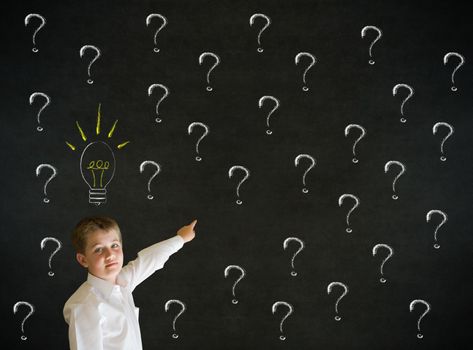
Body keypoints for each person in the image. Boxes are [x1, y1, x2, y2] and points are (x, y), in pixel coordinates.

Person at [63, 216, 197, 350]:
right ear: (83, 260)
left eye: (114, 245)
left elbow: (149, 260)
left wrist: (180, 239)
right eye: (98, 249)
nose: (110, 255)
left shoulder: (123, 282)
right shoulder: (84, 306)